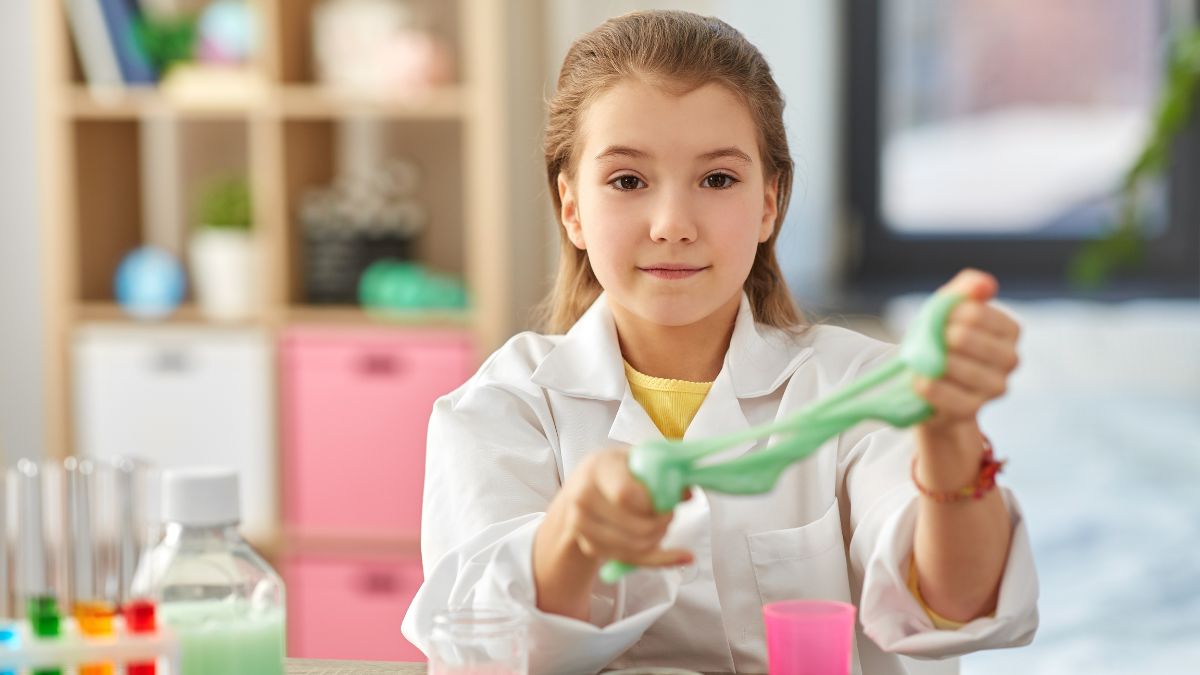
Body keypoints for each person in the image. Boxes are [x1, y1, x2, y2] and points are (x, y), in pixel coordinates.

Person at [401, 10, 1037, 674]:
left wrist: (950, 434)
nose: (673, 224)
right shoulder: (502, 409)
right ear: (571, 206)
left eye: (717, 179)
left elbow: (955, 608)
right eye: (627, 181)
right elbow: (477, 648)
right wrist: (569, 538)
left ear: (769, 201)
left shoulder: (861, 385)